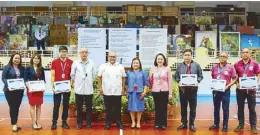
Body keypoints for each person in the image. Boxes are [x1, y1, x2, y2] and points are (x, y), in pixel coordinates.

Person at [174, 49, 203, 132]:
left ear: (191, 56)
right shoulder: (179, 66)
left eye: (188, 55)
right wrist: (179, 81)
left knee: (193, 108)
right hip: (183, 90)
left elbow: (201, 76)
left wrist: (198, 81)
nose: (187, 56)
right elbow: (176, 76)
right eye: (185, 55)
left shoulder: (196, 65)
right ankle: (183, 124)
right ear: (183, 56)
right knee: (183, 108)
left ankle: (192, 124)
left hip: (193, 90)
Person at [233, 48, 260, 134]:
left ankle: (253, 126)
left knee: (252, 108)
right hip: (240, 90)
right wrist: (236, 84)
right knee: (240, 108)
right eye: (243, 52)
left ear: (249, 54)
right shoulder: (236, 64)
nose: (245, 54)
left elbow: (258, 74)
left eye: (247, 52)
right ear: (241, 54)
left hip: (251, 90)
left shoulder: (255, 63)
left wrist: (255, 83)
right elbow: (234, 76)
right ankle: (241, 125)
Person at [209, 52, 237, 132]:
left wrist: (227, 86)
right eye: (221, 56)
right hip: (216, 91)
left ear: (227, 58)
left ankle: (225, 125)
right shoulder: (214, 67)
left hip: (226, 91)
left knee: (225, 109)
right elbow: (213, 78)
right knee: (216, 108)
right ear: (219, 57)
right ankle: (216, 124)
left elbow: (235, 79)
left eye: (224, 56)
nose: (222, 58)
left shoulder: (231, 67)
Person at [98, 52, 126, 130]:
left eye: (113, 57)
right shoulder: (103, 66)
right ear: (108, 57)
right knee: (108, 108)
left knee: (117, 108)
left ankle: (118, 122)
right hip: (107, 91)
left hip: (118, 91)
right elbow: (99, 77)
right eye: (110, 57)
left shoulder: (120, 66)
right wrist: (100, 88)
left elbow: (123, 77)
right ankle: (108, 122)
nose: (112, 58)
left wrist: (123, 88)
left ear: (116, 57)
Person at [71, 48, 96, 130]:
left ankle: (88, 123)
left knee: (89, 107)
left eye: (85, 52)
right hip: (79, 89)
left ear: (87, 53)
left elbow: (94, 75)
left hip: (89, 89)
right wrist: (76, 82)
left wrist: (89, 81)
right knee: (79, 108)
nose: (84, 54)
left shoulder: (91, 62)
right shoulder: (75, 63)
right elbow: (72, 74)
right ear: (80, 53)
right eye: (82, 52)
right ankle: (79, 123)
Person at [51, 46, 73, 130]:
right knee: (56, 105)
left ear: (67, 52)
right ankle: (54, 122)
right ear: (59, 52)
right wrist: (52, 86)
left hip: (67, 87)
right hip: (57, 87)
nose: (63, 53)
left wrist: (71, 84)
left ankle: (64, 122)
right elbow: (52, 75)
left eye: (65, 51)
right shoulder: (54, 62)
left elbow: (72, 75)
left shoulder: (71, 62)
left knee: (66, 105)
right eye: (62, 51)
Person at [149, 53, 173, 130]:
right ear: (156, 60)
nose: (160, 60)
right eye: (158, 59)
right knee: (157, 108)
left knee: (163, 108)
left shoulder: (167, 68)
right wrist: (152, 87)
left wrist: (170, 93)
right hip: (155, 90)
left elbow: (170, 81)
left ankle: (163, 124)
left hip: (164, 90)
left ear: (164, 60)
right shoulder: (152, 68)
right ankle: (157, 124)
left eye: (161, 59)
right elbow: (150, 80)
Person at [2, 53, 25, 132]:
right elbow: (3, 78)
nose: (17, 60)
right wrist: (10, 85)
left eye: (18, 58)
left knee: (17, 107)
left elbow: (24, 79)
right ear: (12, 58)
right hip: (9, 91)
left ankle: (15, 123)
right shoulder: (6, 67)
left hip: (19, 91)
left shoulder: (22, 68)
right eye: (15, 58)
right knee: (12, 107)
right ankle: (14, 125)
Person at [24, 54, 45, 130]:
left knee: (39, 106)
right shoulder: (28, 68)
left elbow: (43, 80)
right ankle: (33, 123)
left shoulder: (41, 68)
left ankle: (38, 122)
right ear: (32, 59)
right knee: (32, 106)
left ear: (40, 60)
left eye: (38, 58)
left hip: (39, 90)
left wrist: (43, 88)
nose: (36, 60)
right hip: (31, 90)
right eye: (35, 58)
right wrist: (30, 88)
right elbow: (25, 80)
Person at [126, 58, 148, 129]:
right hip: (131, 92)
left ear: (139, 64)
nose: (135, 64)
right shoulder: (129, 72)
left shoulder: (143, 72)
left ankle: (138, 122)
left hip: (140, 93)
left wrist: (144, 92)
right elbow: (126, 84)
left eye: (137, 63)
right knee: (131, 108)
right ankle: (133, 122)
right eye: (134, 63)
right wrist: (126, 92)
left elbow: (145, 84)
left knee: (139, 108)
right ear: (132, 64)